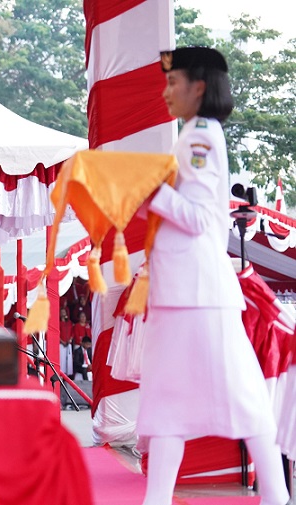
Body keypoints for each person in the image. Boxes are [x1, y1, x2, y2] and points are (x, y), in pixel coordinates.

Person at [138, 47, 288, 505]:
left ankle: (277, 494)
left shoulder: (201, 136)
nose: (166, 92)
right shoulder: (193, 134)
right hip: (184, 291)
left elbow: (204, 219)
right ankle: (157, 499)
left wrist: (149, 193)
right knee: (166, 400)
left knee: (239, 393)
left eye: (173, 82)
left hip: (199, 293)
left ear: (198, 87)